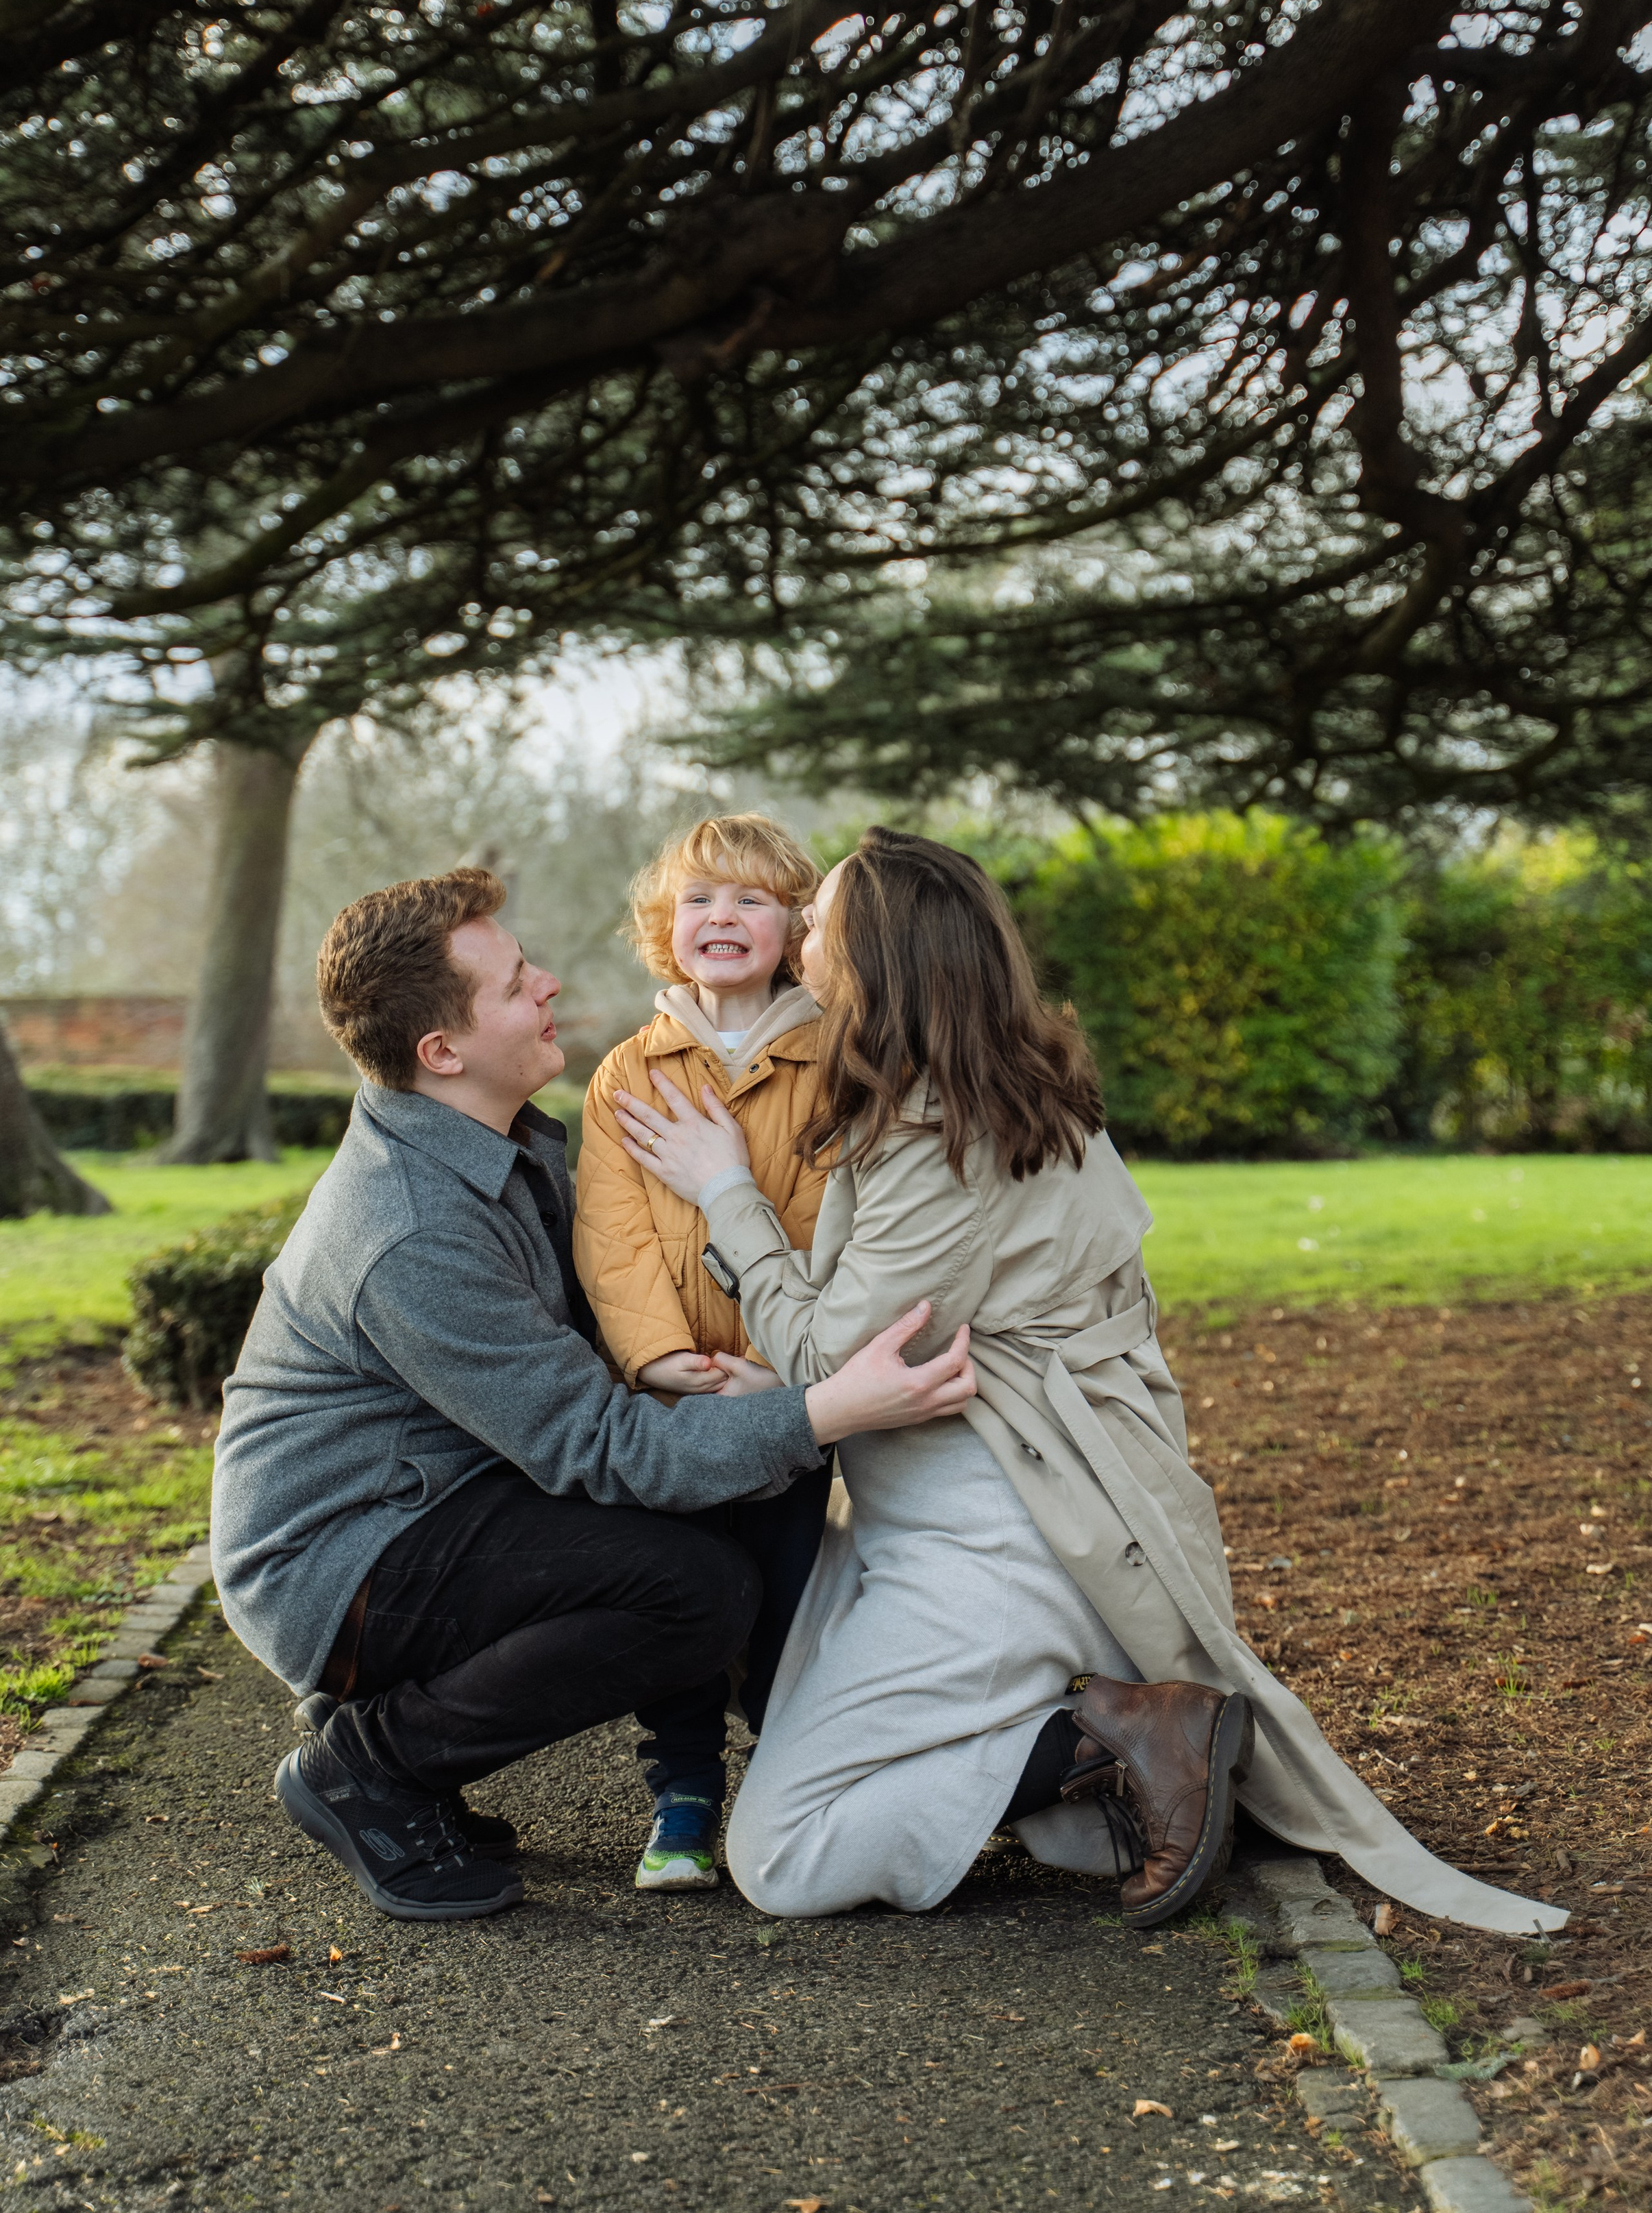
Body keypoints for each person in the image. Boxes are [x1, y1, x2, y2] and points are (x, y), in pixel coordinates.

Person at [614, 827, 1568, 1937]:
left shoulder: (943, 1136)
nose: (803, 939)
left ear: (879, 960)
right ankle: (1094, 1746)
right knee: (839, 1715)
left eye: (820, 921)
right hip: (978, 1509)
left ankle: (1114, 1738)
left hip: (1000, 1537)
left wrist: (725, 1189)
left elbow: (838, 1362)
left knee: (785, 1853)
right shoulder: (977, 1091)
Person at [208, 863, 976, 1924]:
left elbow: (613, 1330)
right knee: (690, 1591)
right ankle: (372, 1763)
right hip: (346, 1560)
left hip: (432, 1500)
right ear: (443, 1052)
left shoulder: (495, 1148)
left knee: (695, 1555)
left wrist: (752, 1344)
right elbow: (604, 1448)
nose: (551, 985)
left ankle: (411, 1744)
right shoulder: (411, 1228)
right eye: (518, 982)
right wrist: (829, 1409)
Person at [575, 814, 832, 1893]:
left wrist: (792, 1363)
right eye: (698, 899)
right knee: (680, 1596)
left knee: (786, 1599)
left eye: (752, 900)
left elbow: (836, 1226)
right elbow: (613, 1239)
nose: (721, 917)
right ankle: (681, 1786)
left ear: (796, 930)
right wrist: (659, 1361)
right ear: (663, 927)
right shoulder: (629, 1071)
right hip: (679, 1405)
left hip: (789, 1393)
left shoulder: (835, 1065)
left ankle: (788, 1778)